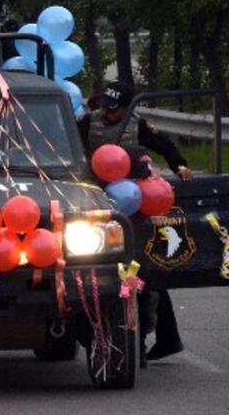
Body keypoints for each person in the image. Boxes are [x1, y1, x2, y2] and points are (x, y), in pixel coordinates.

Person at [78, 81, 193, 362]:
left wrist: (180, 165)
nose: (106, 113)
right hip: (96, 202)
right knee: (105, 273)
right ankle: (164, 338)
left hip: (133, 204)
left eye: (113, 109)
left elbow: (165, 145)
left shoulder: (138, 126)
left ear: (128, 109)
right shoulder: (87, 123)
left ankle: (140, 343)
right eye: (104, 106)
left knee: (142, 273)